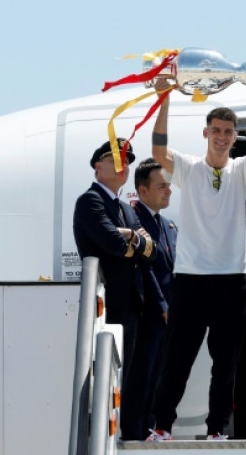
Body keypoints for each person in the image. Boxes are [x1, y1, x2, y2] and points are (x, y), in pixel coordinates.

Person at [147, 75, 246, 441]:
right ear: (206, 133)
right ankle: (162, 426)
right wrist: (164, 100)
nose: (222, 136)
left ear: (235, 137)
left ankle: (217, 429)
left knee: (225, 362)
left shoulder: (241, 171)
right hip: (190, 279)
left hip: (231, 281)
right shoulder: (189, 168)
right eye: (216, 130)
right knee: (177, 359)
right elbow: (158, 151)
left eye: (228, 132)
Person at [72, 139, 157, 437]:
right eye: (116, 159)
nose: (124, 166)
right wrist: (133, 240)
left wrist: (129, 236)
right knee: (107, 378)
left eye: (127, 161)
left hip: (132, 304)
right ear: (98, 166)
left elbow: (152, 251)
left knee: (129, 378)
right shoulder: (90, 201)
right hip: (107, 306)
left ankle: (126, 433)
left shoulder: (125, 209)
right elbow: (114, 245)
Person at [121, 158, 178, 440]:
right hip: (148, 315)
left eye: (169, 185)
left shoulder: (168, 224)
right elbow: (144, 269)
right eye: (162, 186)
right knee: (141, 377)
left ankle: (151, 429)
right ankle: (135, 433)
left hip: (169, 316)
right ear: (142, 191)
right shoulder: (133, 221)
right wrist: (163, 307)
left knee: (159, 378)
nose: (169, 191)